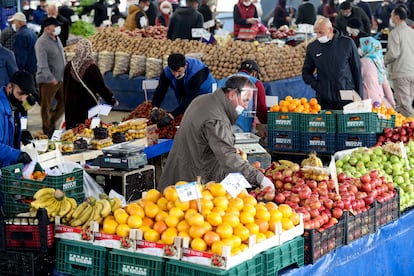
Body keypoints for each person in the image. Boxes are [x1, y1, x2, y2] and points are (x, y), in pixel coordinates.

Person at [158, 75, 275, 192]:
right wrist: (260, 179)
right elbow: (228, 157)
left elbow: (208, 142)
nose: (245, 105)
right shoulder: (216, 119)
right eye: (245, 100)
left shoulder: (203, 100)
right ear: (233, 95)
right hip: (190, 185)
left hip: (180, 175)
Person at [302, 17, 363, 110]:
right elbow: (306, 72)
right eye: (316, 33)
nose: (318, 36)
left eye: (320, 32)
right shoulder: (313, 48)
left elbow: (357, 71)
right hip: (324, 99)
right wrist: (317, 86)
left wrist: (359, 97)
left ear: (330, 30)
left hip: (346, 97)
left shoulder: (347, 43)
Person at [63, 39, 119, 129]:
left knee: (72, 131)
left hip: (71, 105)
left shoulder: (69, 66)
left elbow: (65, 87)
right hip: (87, 105)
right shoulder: (91, 67)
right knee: (87, 130)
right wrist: (111, 100)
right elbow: (100, 86)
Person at [150, 53, 216, 127]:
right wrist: (155, 108)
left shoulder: (197, 71)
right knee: (187, 115)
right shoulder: (167, 72)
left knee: (205, 116)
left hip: (205, 91)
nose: (176, 75)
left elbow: (190, 98)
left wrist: (171, 116)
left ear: (185, 66)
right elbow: (160, 90)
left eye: (179, 71)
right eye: (173, 71)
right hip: (187, 89)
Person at [35, 17, 66, 137]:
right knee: (46, 105)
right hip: (48, 80)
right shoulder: (41, 42)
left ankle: (51, 122)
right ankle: (47, 130)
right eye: (55, 25)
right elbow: (42, 64)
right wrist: (50, 78)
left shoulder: (56, 39)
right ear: (48, 28)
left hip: (60, 79)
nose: (58, 28)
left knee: (64, 101)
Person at [217, 60, 267, 132]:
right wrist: (265, 124)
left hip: (221, 126)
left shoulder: (221, 81)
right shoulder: (256, 82)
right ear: (254, 73)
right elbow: (261, 108)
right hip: (242, 128)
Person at [0, 70, 36, 167]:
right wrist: (16, 155)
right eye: (20, 93)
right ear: (10, 87)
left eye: (26, 94)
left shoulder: (17, 106)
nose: (23, 99)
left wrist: (22, 134)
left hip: (9, 168)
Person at [384, 6, 414, 117]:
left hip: (401, 73)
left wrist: (381, 61)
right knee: (408, 103)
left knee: (404, 106)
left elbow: (393, 53)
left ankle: (409, 130)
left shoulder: (395, 33)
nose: (390, 19)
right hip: (412, 72)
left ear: (397, 17)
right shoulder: (412, 32)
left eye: (391, 16)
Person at [359, 36, 395, 107]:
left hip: (367, 99)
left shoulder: (363, 62)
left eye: (361, 46)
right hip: (379, 98)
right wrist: (392, 102)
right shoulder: (379, 63)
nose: (359, 48)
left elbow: (357, 79)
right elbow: (386, 85)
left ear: (367, 47)